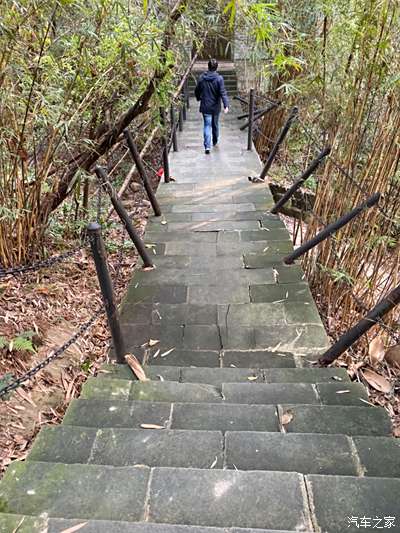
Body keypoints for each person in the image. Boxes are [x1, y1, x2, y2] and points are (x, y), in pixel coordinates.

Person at [194, 58, 229, 154]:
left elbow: (197, 90)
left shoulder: (202, 78)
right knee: (215, 125)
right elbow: (223, 92)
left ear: (208, 67)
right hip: (215, 107)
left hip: (205, 106)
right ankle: (215, 140)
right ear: (216, 68)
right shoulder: (219, 79)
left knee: (207, 125)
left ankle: (207, 146)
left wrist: (198, 98)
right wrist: (226, 105)